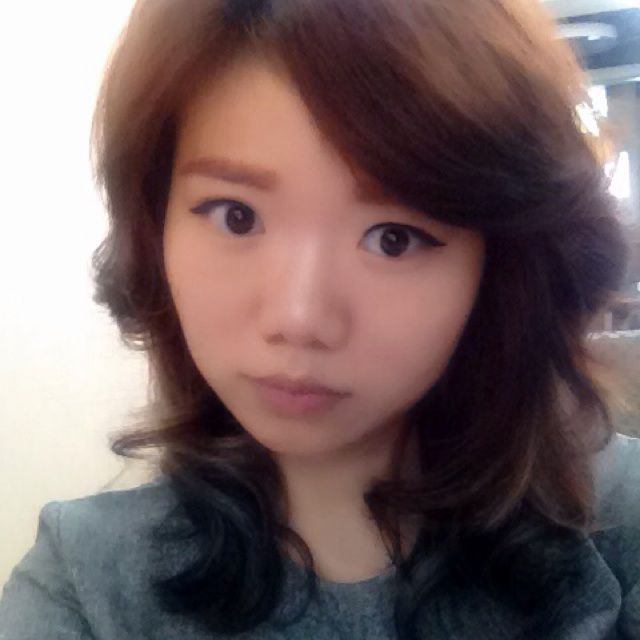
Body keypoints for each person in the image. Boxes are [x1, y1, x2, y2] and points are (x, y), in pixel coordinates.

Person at [1, 0, 638, 638]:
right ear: (155, 226)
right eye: (236, 216)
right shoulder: (83, 584)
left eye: (394, 238)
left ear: (497, 264)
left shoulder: (619, 525)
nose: (298, 318)